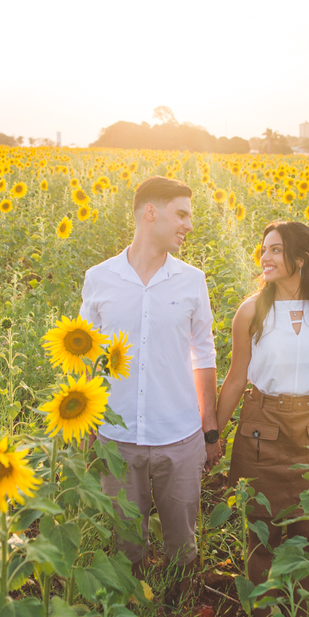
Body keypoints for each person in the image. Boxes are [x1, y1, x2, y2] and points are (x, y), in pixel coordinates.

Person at [80, 176, 221, 574]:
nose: (188, 225)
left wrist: (209, 428)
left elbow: (204, 352)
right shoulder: (99, 278)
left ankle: (178, 608)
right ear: (150, 213)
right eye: (181, 214)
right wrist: (87, 419)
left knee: (183, 544)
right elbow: (85, 353)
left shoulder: (191, 279)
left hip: (178, 437)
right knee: (125, 546)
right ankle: (132, 611)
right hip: (117, 439)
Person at [215, 220, 309, 587]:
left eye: (275, 249)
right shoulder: (251, 311)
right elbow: (235, 378)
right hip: (262, 427)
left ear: (301, 257)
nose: (265, 257)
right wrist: (212, 434)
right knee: (262, 534)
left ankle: (300, 611)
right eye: (263, 249)